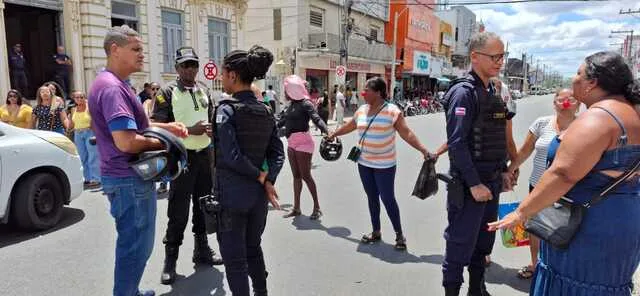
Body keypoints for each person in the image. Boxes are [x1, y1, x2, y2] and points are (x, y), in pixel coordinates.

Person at [490, 51, 640, 296]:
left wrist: (520, 212)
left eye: (579, 73)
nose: (574, 78)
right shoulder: (632, 114)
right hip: (621, 220)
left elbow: (563, 174)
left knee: (572, 285)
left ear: (592, 83)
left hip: (586, 227)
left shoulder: (599, 118)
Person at [89, 25, 188, 296]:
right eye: (136, 49)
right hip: (127, 181)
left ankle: (129, 291)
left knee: (136, 243)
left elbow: (139, 126)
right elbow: (127, 141)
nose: (142, 55)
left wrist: (168, 127)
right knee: (136, 246)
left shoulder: (116, 84)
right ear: (114, 50)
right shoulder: (112, 89)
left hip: (126, 180)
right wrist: (167, 143)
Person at [327, 77, 435, 251]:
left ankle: (399, 234)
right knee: (371, 197)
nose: (363, 93)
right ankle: (376, 231)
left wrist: (424, 150)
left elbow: (407, 133)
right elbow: (351, 126)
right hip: (364, 162)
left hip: (385, 164)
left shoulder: (392, 111)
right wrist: (334, 134)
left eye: (367, 90)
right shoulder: (361, 110)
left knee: (387, 198)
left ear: (378, 92)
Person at [439, 32, 509, 296]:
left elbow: (494, 134)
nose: (500, 62)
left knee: (483, 243)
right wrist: (475, 184)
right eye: (495, 56)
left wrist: (502, 170)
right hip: (470, 185)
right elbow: (457, 144)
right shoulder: (463, 93)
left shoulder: (490, 89)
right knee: (459, 245)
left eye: (503, 56)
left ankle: (476, 289)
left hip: (490, 182)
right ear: (475, 57)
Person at [214, 45, 285, 296]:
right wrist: (268, 180)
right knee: (253, 248)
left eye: (223, 73)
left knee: (234, 261)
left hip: (233, 197)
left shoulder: (226, 110)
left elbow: (232, 156)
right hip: (257, 199)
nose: (221, 79)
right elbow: (277, 153)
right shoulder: (265, 111)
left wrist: (259, 176)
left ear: (232, 75)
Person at [151, 46, 223, 285]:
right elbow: (156, 128)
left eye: (193, 64)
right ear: (177, 68)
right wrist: (188, 131)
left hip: (205, 157)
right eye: (185, 65)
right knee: (178, 211)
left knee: (204, 206)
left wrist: (213, 132)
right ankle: (170, 260)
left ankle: (201, 250)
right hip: (181, 159)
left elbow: (211, 117)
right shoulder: (166, 92)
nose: (190, 69)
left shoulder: (204, 90)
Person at [504, 88, 579, 279]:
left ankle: (557, 269)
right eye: (560, 99)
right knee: (535, 227)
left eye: (569, 99)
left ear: (578, 103)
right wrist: (510, 170)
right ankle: (535, 263)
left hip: (568, 190)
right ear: (554, 103)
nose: (564, 103)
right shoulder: (541, 123)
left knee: (563, 230)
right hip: (537, 186)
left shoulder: (585, 127)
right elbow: (524, 152)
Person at [278, 75, 329, 219]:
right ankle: (297, 208)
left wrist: (327, 131)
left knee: (306, 176)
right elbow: (280, 123)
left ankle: (317, 207)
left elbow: (316, 119)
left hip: (304, 144)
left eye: (287, 90)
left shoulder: (306, 104)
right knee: (296, 176)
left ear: (293, 90)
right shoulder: (291, 106)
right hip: (292, 144)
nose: (285, 93)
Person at [68, 90, 101, 188]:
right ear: (74, 99)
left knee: (93, 156)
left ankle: (96, 178)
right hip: (77, 133)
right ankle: (86, 178)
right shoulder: (73, 109)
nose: (79, 99)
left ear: (84, 98)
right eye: (77, 97)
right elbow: (71, 124)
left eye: (81, 97)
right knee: (82, 156)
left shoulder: (89, 108)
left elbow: (96, 120)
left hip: (89, 132)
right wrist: (69, 122)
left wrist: (96, 133)